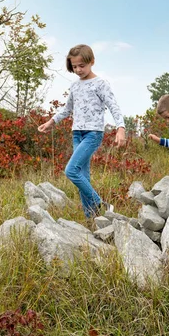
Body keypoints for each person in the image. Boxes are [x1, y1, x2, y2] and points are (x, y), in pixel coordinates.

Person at [38, 44, 126, 219]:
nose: (78, 70)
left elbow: (113, 106)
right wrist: (51, 122)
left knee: (71, 171)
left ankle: (101, 203)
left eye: (81, 66)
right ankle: (91, 219)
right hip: (77, 133)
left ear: (92, 62)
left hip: (93, 134)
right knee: (82, 176)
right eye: (74, 66)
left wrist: (121, 128)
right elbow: (67, 109)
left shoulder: (100, 84)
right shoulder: (75, 86)